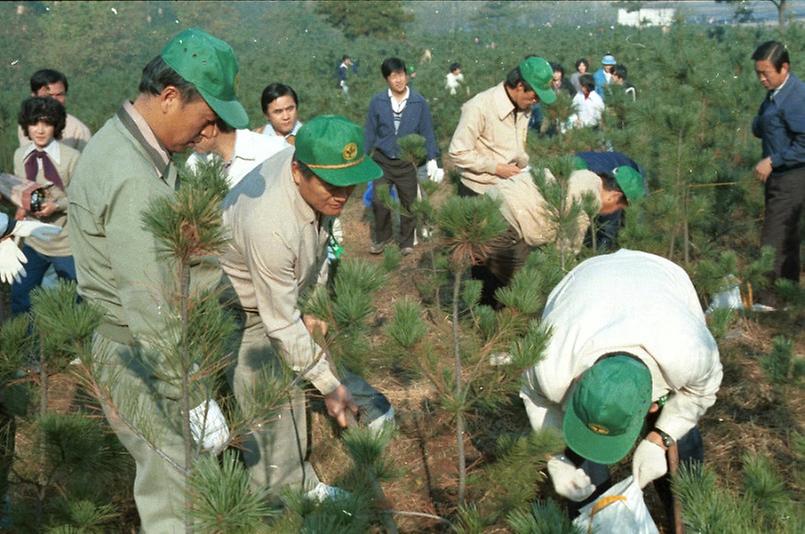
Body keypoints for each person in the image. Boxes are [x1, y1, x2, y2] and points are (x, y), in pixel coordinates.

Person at [68, 28, 248, 532]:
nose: (206, 132)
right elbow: (151, 305)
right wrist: (191, 398)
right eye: (205, 118)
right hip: (143, 355)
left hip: (152, 349)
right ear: (170, 98)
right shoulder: (132, 176)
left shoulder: (137, 148)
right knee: (176, 491)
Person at [219, 115, 392, 499]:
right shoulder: (270, 223)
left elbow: (314, 250)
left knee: (303, 360)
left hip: (280, 293)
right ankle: (285, 496)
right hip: (237, 305)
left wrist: (309, 306)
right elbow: (278, 323)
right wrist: (329, 387)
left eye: (351, 183)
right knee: (273, 401)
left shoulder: (317, 184)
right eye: (333, 186)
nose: (343, 196)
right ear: (298, 172)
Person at [520, 249, 722, 531]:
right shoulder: (550, 363)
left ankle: (690, 518)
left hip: (662, 277)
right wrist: (557, 458)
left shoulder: (690, 354)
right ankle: (595, 520)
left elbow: (698, 395)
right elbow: (535, 397)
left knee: (682, 438)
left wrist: (659, 437)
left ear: (651, 405)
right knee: (581, 465)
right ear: (576, 384)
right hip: (587, 281)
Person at [477, 165, 645, 307]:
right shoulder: (588, 200)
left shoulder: (584, 174)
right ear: (614, 196)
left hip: (489, 199)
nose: (615, 212)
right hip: (508, 220)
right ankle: (518, 336)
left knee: (489, 270)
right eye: (619, 207)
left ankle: (480, 313)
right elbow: (565, 254)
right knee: (534, 290)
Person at [11, 97, 81, 315]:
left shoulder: (72, 158)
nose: (40, 130)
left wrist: (57, 206)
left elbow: (81, 198)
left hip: (65, 243)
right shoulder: (20, 155)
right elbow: (20, 188)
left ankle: (72, 346)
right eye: (34, 123)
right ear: (26, 126)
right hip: (33, 241)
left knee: (76, 301)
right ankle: (26, 345)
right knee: (21, 296)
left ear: (56, 126)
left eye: (47, 123)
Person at [449, 57, 556, 197]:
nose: (536, 102)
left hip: (512, 187)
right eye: (535, 96)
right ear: (520, 87)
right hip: (480, 193)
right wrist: (496, 168)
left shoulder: (523, 107)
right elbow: (458, 152)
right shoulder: (479, 107)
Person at [365, 57, 439, 256]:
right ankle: (382, 238)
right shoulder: (378, 101)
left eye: (401, 75)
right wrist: (363, 157)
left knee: (409, 203)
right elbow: (370, 132)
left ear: (406, 75)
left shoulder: (418, 102)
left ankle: (406, 242)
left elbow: (427, 131)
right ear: (386, 79)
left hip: (407, 162)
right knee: (379, 201)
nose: (398, 80)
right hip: (382, 160)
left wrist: (433, 158)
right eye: (393, 76)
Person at [751, 40, 805, 305]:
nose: (761, 78)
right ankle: (788, 295)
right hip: (780, 178)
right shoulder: (776, 91)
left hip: (792, 178)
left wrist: (773, 160)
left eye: (766, 73)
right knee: (787, 237)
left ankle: (768, 302)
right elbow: (765, 124)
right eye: (758, 73)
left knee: (773, 240)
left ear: (784, 67)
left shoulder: (795, 97)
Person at [186, 118, 287, 188]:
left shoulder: (274, 149)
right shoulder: (194, 163)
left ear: (211, 128)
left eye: (190, 133)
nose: (186, 142)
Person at [575, 150, 644, 250]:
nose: (615, 211)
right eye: (619, 207)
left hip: (625, 171)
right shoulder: (586, 184)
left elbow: (607, 232)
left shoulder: (612, 186)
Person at [17, 69, 92, 151]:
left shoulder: (78, 131)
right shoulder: (26, 125)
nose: (54, 100)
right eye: (48, 95)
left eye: (59, 95)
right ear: (34, 96)